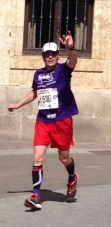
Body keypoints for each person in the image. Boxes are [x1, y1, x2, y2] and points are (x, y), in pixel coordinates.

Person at [7, 31, 79, 209]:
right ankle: (36, 195)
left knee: (64, 158)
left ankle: (72, 178)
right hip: (43, 121)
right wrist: (18, 104)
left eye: (53, 53)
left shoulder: (63, 70)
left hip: (62, 120)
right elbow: (34, 92)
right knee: (37, 158)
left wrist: (71, 47)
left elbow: (74, 61)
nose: (50, 57)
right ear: (43, 57)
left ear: (58, 55)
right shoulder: (38, 74)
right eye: (47, 54)